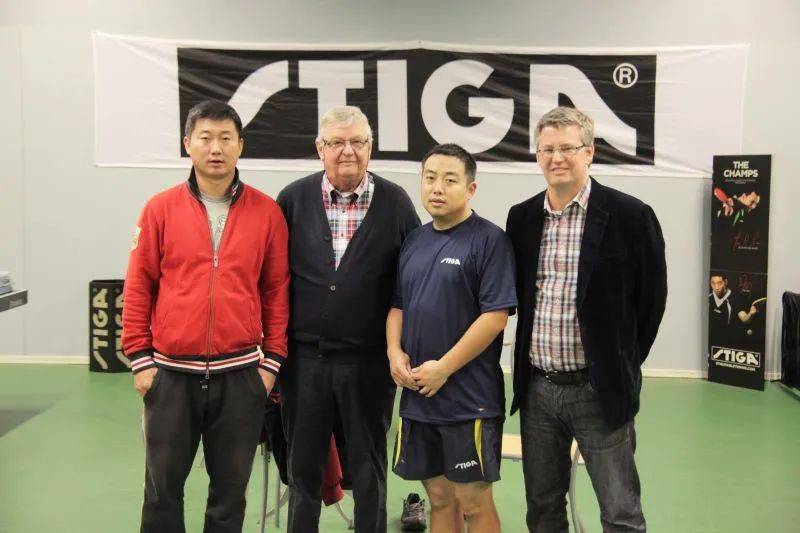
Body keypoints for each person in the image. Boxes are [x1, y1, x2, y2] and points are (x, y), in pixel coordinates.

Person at [122, 100, 289, 533]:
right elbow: (138, 285)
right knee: (161, 491)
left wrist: (270, 364)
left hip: (241, 377)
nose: (216, 148)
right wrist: (140, 360)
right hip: (170, 376)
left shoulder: (267, 213)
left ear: (240, 146)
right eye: (206, 138)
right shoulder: (159, 209)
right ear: (188, 144)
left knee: (230, 494)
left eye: (226, 138)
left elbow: (275, 290)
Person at [505, 106, 667, 532]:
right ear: (537, 155)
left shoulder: (631, 216)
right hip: (538, 390)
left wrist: (619, 362)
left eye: (568, 148)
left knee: (620, 512)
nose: (556, 158)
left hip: (599, 390)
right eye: (547, 149)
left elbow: (651, 301)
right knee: (543, 508)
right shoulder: (521, 218)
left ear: (589, 152)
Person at [276, 105, 420, 533]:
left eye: (357, 142)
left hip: (369, 364)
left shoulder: (396, 203)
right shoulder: (292, 200)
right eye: (337, 142)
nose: (348, 151)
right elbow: (272, 279)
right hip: (304, 362)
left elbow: (412, 281)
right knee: (303, 471)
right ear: (319, 148)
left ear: (370, 147)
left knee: (368, 470)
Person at [388, 144, 517, 533]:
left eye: (449, 180)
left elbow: (495, 318)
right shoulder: (414, 240)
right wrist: (394, 352)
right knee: (440, 498)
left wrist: (444, 367)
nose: (437, 188)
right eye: (430, 178)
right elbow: (398, 306)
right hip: (419, 398)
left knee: (473, 502)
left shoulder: (490, 240)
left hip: (469, 401)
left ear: (471, 188)